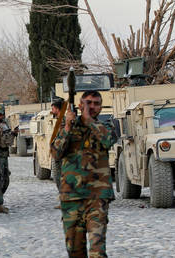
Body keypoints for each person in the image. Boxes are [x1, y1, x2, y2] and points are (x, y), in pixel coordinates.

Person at [50, 90, 117, 257]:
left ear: (101, 107)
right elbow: (55, 153)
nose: (92, 106)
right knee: (75, 250)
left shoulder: (106, 126)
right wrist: (66, 126)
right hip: (71, 197)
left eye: (96, 103)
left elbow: (108, 140)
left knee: (97, 251)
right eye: (88, 103)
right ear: (79, 105)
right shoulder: (68, 126)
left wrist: (89, 121)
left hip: (98, 197)